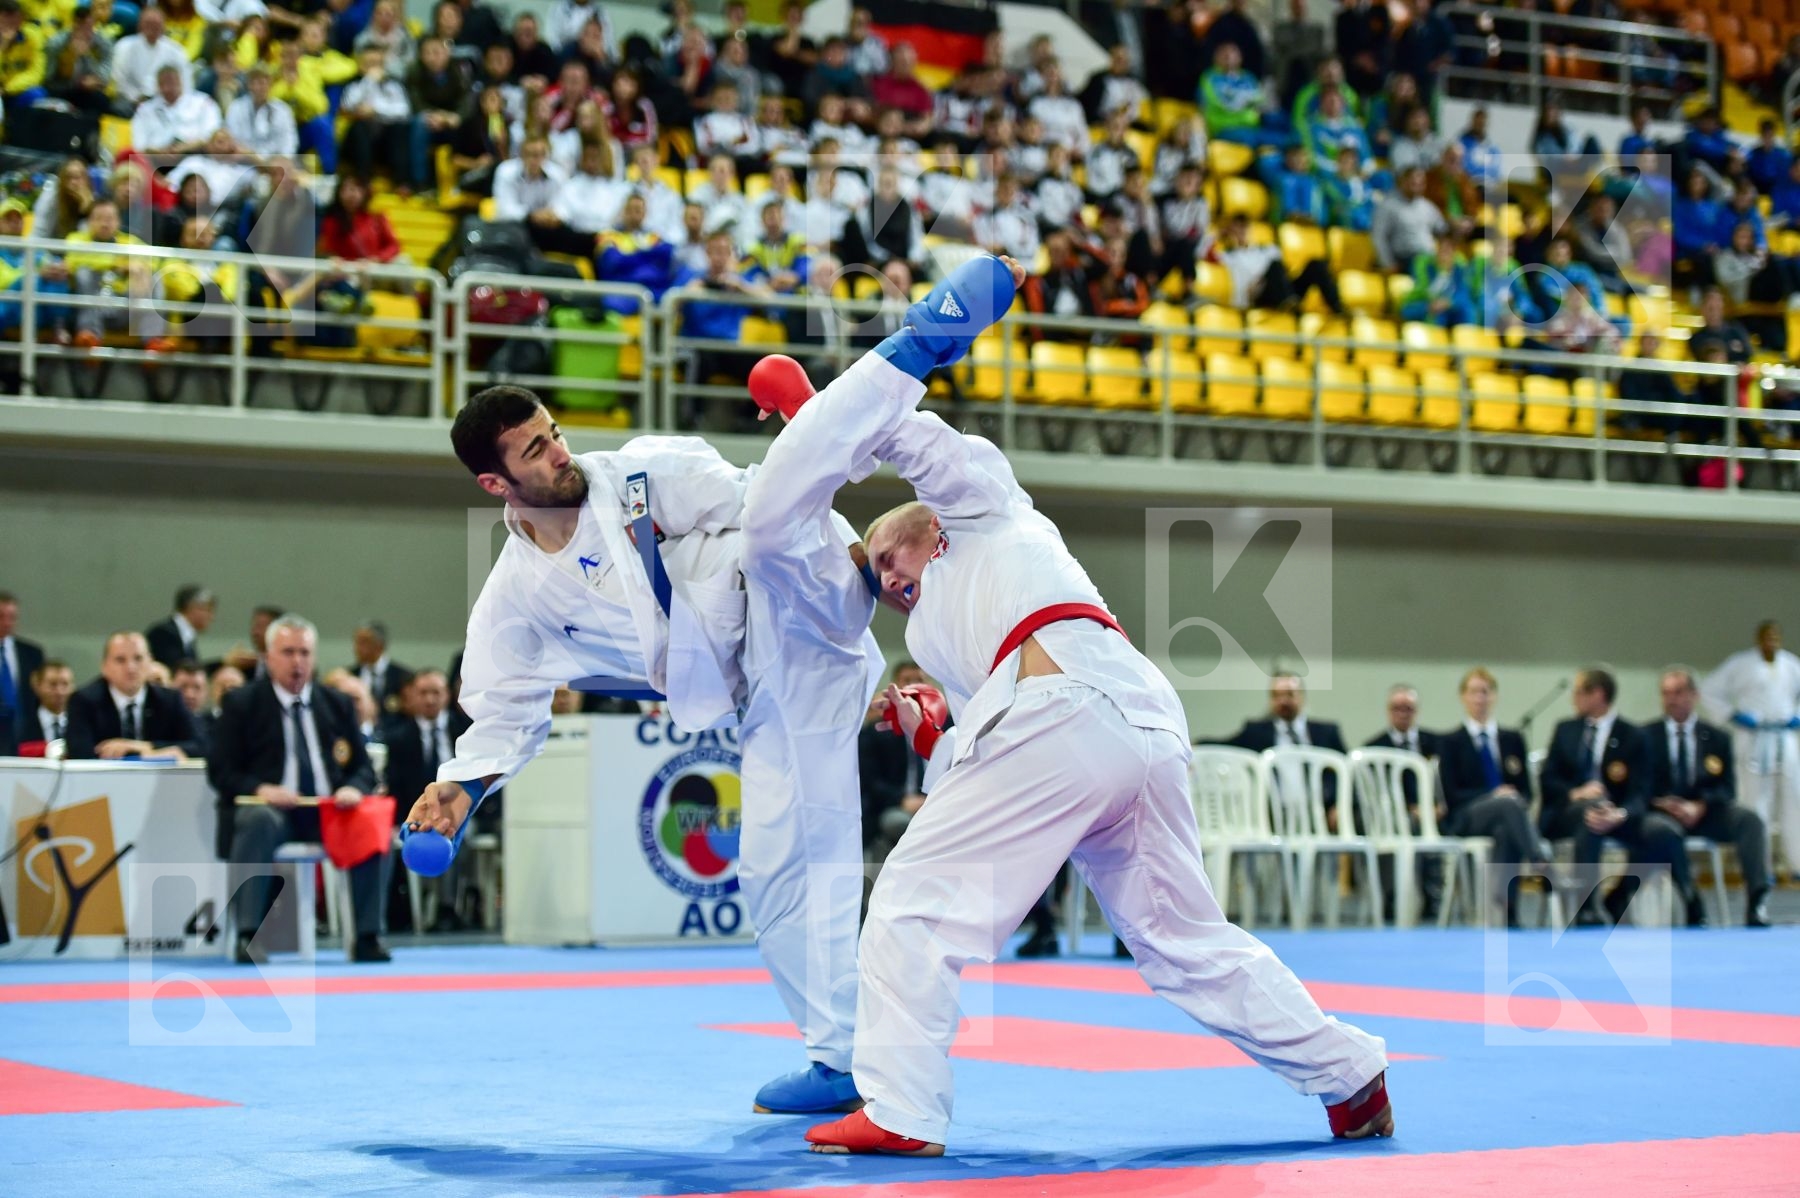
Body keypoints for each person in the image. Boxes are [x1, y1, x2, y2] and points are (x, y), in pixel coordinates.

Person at [783, 255, 1392, 1155]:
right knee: (1181, 941)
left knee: (911, 901)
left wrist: (830, 418)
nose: (887, 584)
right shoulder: (945, 631)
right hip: (1125, 721)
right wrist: (929, 729)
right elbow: (986, 753)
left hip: (1068, 708)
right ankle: (1348, 1076)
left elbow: (919, 442)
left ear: (921, 529)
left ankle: (902, 1110)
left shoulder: (983, 509)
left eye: (887, 562)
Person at [400, 345, 893, 1114]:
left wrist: (863, 562)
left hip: (799, 624)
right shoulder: (516, 594)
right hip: (753, 682)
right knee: (767, 875)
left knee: (812, 847)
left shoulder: (639, 474)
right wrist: (460, 788)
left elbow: (766, 504)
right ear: (496, 484)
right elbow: (503, 704)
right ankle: (840, 1061)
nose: (560, 451)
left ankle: (861, 1063)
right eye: (536, 448)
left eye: (553, 431)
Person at [208, 614, 391, 964]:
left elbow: (363, 769)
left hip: (329, 811)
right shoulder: (242, 704)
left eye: (305, 653)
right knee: (259, 818)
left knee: (371, 819)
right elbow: (221, 771)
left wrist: (353, 787)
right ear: (269, 656)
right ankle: (249, 936)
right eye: (288, 652)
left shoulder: (336, 703)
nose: (297, 662)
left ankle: (368, 936)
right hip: (276, 813)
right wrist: (261, 788)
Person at [1538, 667, 1675, 926]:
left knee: (1662, 832)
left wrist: (1620, 814)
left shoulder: (1633, 735)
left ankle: (1621, 893)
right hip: (1570, 813)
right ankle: (1586, 903)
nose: (1573, 699)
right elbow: (1548, 779)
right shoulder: (1566, 730)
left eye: (1579, 692)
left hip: (1619, 814)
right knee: (1592, 814)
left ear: (1598, 694)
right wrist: (1576, 793)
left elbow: (1641, 790)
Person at [1648, 667, 1771, 927]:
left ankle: (1757, 900)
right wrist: (1663, 803)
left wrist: (1700, 805)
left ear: (1694, 695)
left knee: (1750, 820)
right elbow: (1639, 785)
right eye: (1666, 693)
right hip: (1663, 814)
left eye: (1679, 692)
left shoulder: (1717, 737)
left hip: (1705, 812)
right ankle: (1692, 900)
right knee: (1663, 832)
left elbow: (1727, 788)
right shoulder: (1646, 736)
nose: (1672, 699)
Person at [1434, 667, 1548, 927]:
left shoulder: (1512, 739)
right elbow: (1451, 794)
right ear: (1463, 697)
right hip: (1467, 815)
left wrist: (1507, 799)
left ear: (1494, 696)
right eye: (1474, 692)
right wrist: (1493, 795)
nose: (1480, 698)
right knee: (1507, 805)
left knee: (1507, 826)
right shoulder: (1450, 742)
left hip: (1509, 815)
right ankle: (1539, 858)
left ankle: (1508, 908)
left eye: (1485, 692)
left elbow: (1527, 791)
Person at [1701, 621, 1800, 881]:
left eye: (1775, 637)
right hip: (1753, 738)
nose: (1772, 642)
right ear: (1758, 639)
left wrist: (1796, 716)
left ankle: (1797, 864)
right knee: (1756, 802)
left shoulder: (1791, 664)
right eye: (1767, 637)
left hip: (1783, 737)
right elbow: (1709, 689)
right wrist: (1732, 714)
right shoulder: (1740, 663)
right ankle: (1760, 867)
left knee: (1794, 800)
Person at [64, 631, 203, 761]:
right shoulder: (84, 701)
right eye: (120, 660)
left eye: (138, 658)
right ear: (104, 666)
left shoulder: (169, 700)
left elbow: (201, 746)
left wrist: (142, 747)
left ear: (150, 662)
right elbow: (79, 753)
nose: (131, 667)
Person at [0, 591, 45, 756]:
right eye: (1, 616)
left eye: (12, 617)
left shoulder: (32, 653)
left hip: (26, 736)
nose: (6, 622)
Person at [146, 583, 216, 668]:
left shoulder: (186, 637)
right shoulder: (163, 634)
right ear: (193, 607)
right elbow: (181, 672)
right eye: (208, 610)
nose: (211, 617)